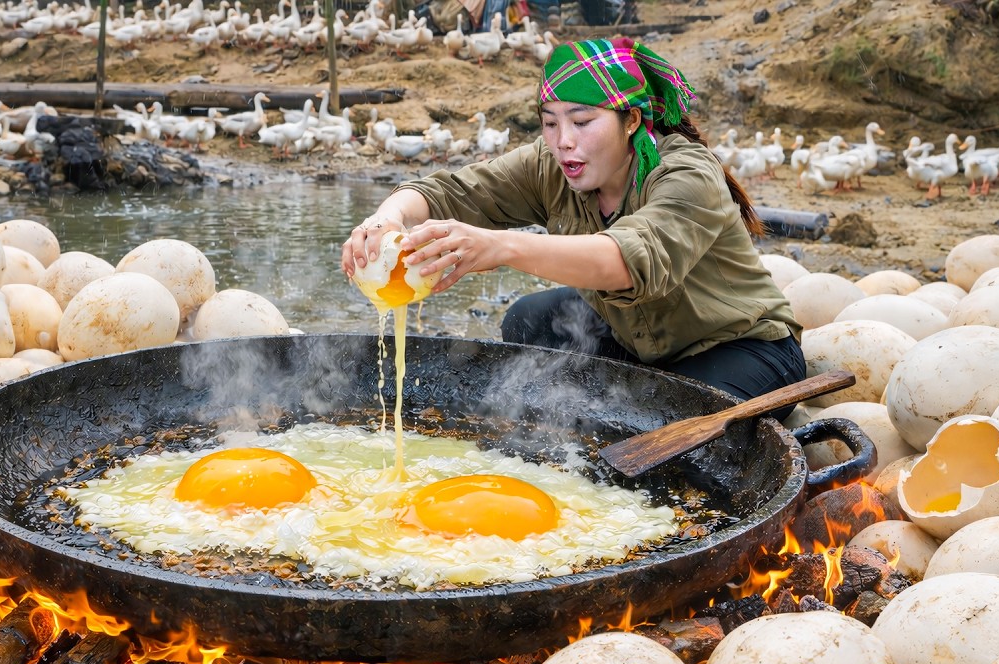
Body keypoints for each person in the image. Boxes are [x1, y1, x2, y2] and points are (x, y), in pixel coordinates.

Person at [342, 37, 805, 410]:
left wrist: (501, 246)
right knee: (530, 321)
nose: (563, 142)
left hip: (742, 348)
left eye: (582, 121)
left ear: (631, 121)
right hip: (631, 337)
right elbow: (450, 191)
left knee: (660, 424)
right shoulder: (553, 165)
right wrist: (386, 218)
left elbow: (627, 259)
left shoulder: (686, 173)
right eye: (549, 123)